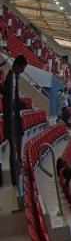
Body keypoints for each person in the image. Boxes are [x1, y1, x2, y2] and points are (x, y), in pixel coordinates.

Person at [1, 55, 28, 189]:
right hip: (11, 123)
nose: (22, 71)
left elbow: (14, 101)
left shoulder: (15, 79)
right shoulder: (10, 79)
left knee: (17, 149)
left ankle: (18, 171)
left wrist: (20, 104)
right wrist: (18, 105)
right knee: (13, 151)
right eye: (22, 68)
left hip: (16, 122)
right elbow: (8, 103)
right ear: (17, 66)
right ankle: (14, 180)